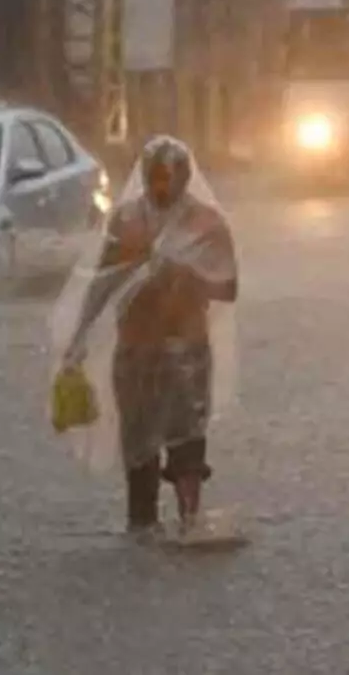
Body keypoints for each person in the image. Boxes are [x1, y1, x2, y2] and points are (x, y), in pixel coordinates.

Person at [58, 136, 238, 538]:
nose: (160, 186)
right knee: (137, 437)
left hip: (186, 347)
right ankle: (142, 522)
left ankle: (190, 519)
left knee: (188, 435)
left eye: (167, 178)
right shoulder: (125, 221)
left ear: (184, 178)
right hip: (136, 348)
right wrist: (79, 336)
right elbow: (101, 283)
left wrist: (186, 273)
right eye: (153, 177)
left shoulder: (206, 224)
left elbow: (228, 287)